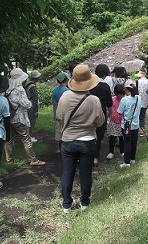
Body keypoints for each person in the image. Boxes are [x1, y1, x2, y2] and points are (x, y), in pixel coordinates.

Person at [56, 64, 105, 213]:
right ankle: (84, 202)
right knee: (85, 173)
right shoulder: (94, 100)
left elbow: (58, 117)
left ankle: (66, 204)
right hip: (88, 140)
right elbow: (100, 121)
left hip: (68, 140)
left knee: (67, 172)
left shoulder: (64, 96)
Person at [4, 68, 46, 166]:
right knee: (26, 139)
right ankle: (33, 160)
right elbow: (26, 104)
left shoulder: (6, 88)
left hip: (8, 116)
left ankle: (9, 160)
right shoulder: (19, 89)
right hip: (19, 118)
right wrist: (31, 103)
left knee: (8, 140)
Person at [89, 64, 113, 167]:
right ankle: (95, 158)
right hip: (101, 114)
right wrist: (110, 114)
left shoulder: (88, 85)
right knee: (98, 137)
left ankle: (85, 156)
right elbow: (109, 104)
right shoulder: (105, 86)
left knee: (87, 135)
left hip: (87, 114)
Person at [117, 82, 142, 168]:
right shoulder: (139, 98)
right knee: (134, 142)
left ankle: (126, 162)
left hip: (127, 125)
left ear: (127, 90)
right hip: (135, 124)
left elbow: (119, 112)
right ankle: (132, 159)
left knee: (127, 142)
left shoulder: (124, 100)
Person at [52, 71, 70, 153]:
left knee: (58, 129)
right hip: (65, 113)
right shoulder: (67, 90)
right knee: (66, 129)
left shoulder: (55, 90)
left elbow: (54, 103)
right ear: (66, 80)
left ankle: (57, 148)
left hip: (56, 112)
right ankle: (65, 147)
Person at [106, 84, 125, 160]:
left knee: (121, 137)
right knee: (112, 137)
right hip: (113, 121)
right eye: (118, 94)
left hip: (122, 121)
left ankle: (122, 151)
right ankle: (111, 152)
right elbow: (109, 108)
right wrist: (109, 117)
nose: (120, 96)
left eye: (121, 94)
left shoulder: (125, 99)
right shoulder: (112, 99)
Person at [24, 70, 41, 143]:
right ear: (36, 78)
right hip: (31, 106)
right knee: (31, 121)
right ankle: (29, 137)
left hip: (27, 104)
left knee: (27, 120)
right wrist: (36, 110)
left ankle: (27, 136)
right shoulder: (33, 86)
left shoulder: (27, 83)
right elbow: (35, 98)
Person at [135, 67, 148, 136]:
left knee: (137, 115)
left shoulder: (138, 82)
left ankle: (135, 128)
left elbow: (136, 91)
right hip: (146, 100)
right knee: (142, 115)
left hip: (138, 100)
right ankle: (142, 130)